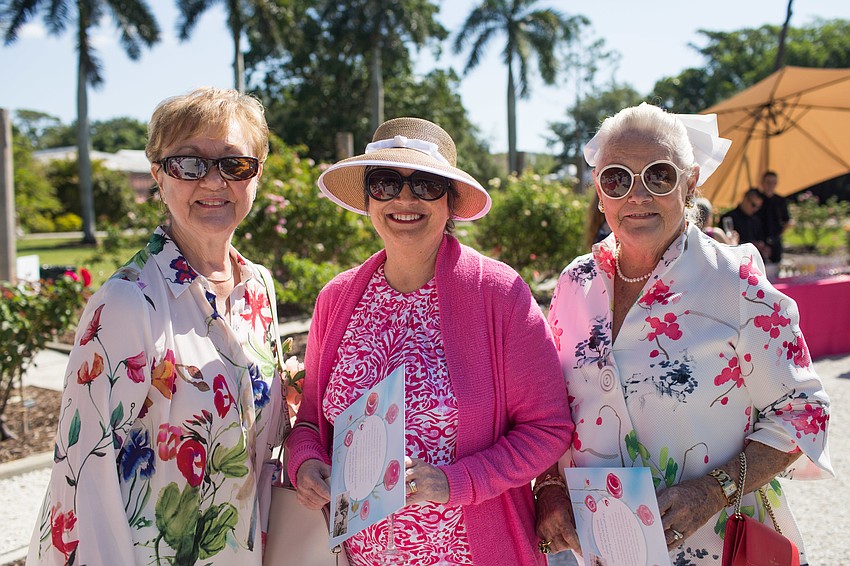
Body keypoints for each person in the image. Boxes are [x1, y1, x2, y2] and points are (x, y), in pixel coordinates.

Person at [535, 103, 833, 565]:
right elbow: (551, 405)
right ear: (599, 192)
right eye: (616, 178)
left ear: (690, 182)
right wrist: (549, 486)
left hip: (714, 546)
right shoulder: (575, 283)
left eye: (658, 176)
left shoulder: (735, 282)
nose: (636, 195)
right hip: (596, 547)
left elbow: (804, 412)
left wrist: (713, 490)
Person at [285, 117, 573, 565]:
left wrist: (457, 482)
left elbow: (548, 428)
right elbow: (308, 423)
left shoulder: (498, 293)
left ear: (451, 202)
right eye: (384, 183)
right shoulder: (337, 299)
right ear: (367, 200)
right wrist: (304, 462)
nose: (404, 198)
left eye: (425, 184)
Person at [28, 87, 285, 565]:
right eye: (188, 163)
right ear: (158, 178)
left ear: (257, 174)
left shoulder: (258, 288)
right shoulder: (127, 303)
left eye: (235, 163)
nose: (213, 181)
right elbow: (83, 481)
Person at [720, 188, 769, 258]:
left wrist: (762, 245)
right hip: (734, 258)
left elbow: (760, 238)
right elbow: (723, 243)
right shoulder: (728, 218)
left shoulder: (756, 220)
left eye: (758, 207)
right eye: (753, 205)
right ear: (745, 199)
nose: (755, 209)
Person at [758, 170, 790, 264]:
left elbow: (787, 221)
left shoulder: (780, 200)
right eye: (768, 182)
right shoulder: (757, 199)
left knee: (776, 267)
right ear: (762, 183)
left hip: (775, 240)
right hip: (760, 240)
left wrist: (778, 235)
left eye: (773, 183)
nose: (770, 185)